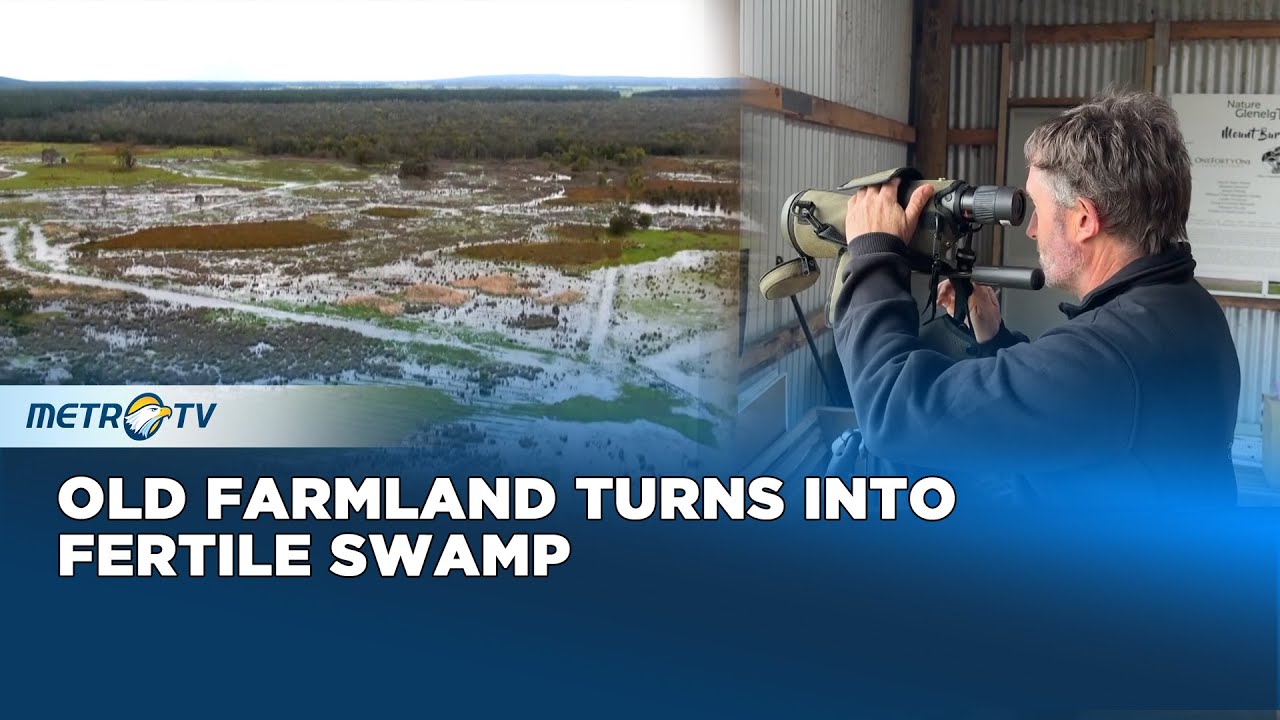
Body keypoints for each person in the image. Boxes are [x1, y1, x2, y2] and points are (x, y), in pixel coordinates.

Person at [832, 90, 1241, 506]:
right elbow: (1075, 409)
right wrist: (996, 342)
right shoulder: (1186, 307)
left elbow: (893, 413)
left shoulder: (1109, 356)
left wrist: (874, 254)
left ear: (1084, 219)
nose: (1031, 231)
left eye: (1040, 212)